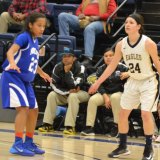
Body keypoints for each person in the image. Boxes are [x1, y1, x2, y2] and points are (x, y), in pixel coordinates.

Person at [89, 13, 160, 160]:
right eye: (126, 22)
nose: (127, 24)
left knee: (145, 114)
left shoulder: (148, 43)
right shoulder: (121, 44)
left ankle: (148, 148)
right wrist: (97, 82)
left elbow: (158, 66)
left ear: (139, 26)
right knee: (122, 114)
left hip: (149, 81)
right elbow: (111, 67)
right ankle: (123, 146)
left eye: (131, 22)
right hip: (133, 81)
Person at [0, 12, 52, 156]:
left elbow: (31, 62)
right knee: (23, 109)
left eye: (44, 26)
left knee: (34, 110)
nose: (42, 29)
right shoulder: (24, 37)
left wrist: (41, 73)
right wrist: (12, 63)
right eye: (39, 25)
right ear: (30, 25)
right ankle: (17, 144)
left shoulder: (35, 40)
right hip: (13, 76)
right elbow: (10, 52)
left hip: (26, 81)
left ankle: (28, 142)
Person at [38, 47, 90, 135]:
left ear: (74, 58)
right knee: (52, 95)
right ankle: (47, 124)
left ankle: (70, 127)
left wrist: (67, 72)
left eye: (68, 56)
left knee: (73, 96)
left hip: (82, 93)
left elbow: (76, 86)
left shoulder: (80, 67)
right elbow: (53, 85)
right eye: (64, 56)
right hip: (66, 93)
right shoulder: (57, 67)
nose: (65, 58)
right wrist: (67, 92)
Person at [81, 49, 129, 136]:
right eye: (106, 56)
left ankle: (117, 126)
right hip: (105, 94)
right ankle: (90, 127)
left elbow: (132, 74)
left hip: (119, 93)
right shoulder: (101, 69)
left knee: (115, 97)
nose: (108, 57)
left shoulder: (122, 67)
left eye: (111, 55)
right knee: (93, 100)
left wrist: (128, 73)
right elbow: (99, 85)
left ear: (116, 57)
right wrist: (105, 97)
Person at [58, 0, 117, 66]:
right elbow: (79, 9)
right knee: (62, 16)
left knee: (89, 28)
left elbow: (112, 13)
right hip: (85, 19)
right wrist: (80, 14)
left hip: (101, 21)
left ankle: (88, 58)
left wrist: (98, 17)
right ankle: (66, 49)